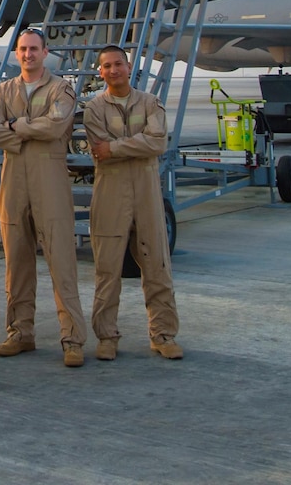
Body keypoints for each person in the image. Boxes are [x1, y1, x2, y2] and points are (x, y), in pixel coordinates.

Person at [0, 28, 88, 367]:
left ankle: (72, 338)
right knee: (16, 261)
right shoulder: (4, 90)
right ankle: (20, 333)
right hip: (13, 177)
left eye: (34, 49)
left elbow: (56, 127)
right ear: (17, 54)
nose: (28, 54)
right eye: (23, 49)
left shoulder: (61, 89)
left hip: (49, 176)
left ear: (46, 52)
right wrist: (27, 130)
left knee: (61, 259)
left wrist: (16, 127)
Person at [83, 45, 182, 361]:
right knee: (107, 267)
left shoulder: (150, 102)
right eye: (107, 66)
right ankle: (106, 337)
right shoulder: (95, 108)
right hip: (110, 189)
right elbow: (99, 148)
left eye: (118, 64)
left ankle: (163, 335)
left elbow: (158, 142)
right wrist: (129, 147)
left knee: (157, 263)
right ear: (101, 72)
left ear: (129, 68)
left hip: (146, 187)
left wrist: (115, 148)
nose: (113, 70)